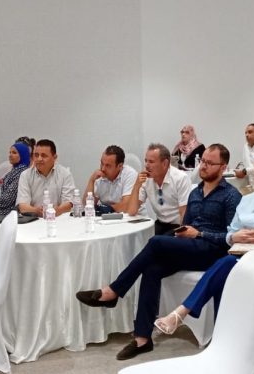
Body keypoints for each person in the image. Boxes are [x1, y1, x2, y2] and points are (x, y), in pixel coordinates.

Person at [75, 144, 241, 360]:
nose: (204, 166)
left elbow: (232, 237)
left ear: (223, 167)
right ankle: (142, 338)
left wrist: (200, 234)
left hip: (214, 252)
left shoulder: (231, 195)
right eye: (203, 161)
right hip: (191, 246)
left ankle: (113, 291)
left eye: (210, 163)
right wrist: (184, 233)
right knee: (152, 268)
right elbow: (186, 223)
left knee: (155, 242)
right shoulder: (196, 192)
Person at [153, 156, 254, 335]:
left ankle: (183, 313)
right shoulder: (248, 200)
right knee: (225, 272)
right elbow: (230, 234)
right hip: (243, 258)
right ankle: (221, 336)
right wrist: (237, 236)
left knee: (226, 266)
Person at [127, 143, 192, 235]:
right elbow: (131, 211)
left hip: (177, 226)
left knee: (156, 241)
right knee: (139, 236)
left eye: (151, 162)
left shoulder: (180, 178)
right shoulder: (146, 179)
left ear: (165, 163)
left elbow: (184, 214)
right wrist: (136, 186)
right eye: (146, 161)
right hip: (160, 224)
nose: (147, 165)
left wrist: (180, 236)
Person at [16, 139, 76, 217]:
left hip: (58, 218)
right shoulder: (25, 175)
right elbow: (22, 206)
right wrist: (37, 211)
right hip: (34, 219)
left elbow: (68, 203)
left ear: (55, 157)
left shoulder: (65, 174)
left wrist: (54, 211)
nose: (39, 159)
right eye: (36, 155)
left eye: (44, 155)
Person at [84, 145, 139, 214]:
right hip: (110, 218)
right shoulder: (99, 176)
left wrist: (106, 209)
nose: (103, 169)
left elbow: (126, 205)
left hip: (134, 218)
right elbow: (87, 205)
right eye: (102, 163)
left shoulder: (130, 174)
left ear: (120, 166)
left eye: (108, 165)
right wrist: (91, 181)